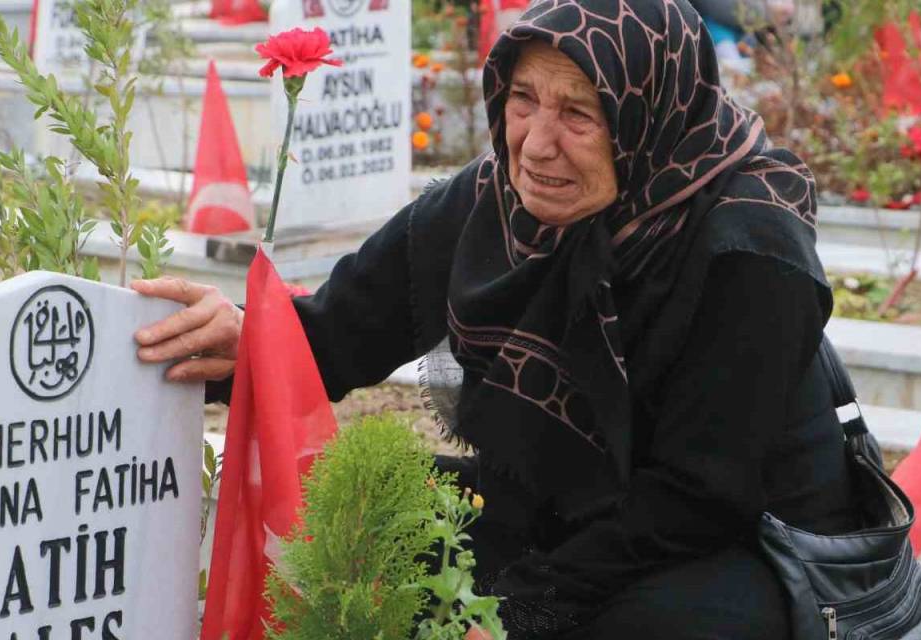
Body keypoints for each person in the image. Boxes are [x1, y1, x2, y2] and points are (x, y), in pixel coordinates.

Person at [133, 0, 857, 636]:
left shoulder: (749, 246)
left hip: (741, 543)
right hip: (566, 508)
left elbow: (700, 498)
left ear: (646, 114)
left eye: (579, 112)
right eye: (522, 101)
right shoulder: (493, 203)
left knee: (653, 623)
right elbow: (341, 331)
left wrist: (519, 614)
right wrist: (245, 340)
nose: (536, 144)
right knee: (358, 516)